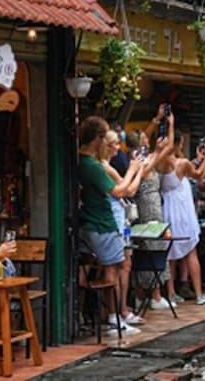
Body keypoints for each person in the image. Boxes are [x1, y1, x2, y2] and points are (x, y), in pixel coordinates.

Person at [77, 116, 141, 332]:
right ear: (97, 138)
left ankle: (82, 314)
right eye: (104, 137)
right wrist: (133, 169)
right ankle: (114, 317)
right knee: (112, 268)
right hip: (101, 223)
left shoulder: (79, 161)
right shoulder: (93, 166)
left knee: (88, 267)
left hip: (87, 222)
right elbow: (119, 191)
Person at [156, 124, 205, 305]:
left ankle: (171, 292)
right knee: (190, 251)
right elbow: (198, 174)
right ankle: (198, 294)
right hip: (182, 211)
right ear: (178, 144)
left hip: (167, 210)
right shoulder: (181, 164)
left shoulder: (160, 162)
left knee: (171, 253)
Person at [99, 129, 145, 328]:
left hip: (118, 219)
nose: (119, 147)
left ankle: (121, 311)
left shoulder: (105, 166)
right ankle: (116, 313)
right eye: (115, 143)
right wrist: (137, 170)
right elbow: (128, 189)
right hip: (114, 219)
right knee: (116, 266)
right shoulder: (105, 168)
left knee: (123, 264)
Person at [131, 123, 177, 311]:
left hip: (155, 206)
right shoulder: (136, 160)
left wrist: (169, 123)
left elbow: (168, 147)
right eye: (143, 142)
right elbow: (146, 166)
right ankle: (151, 295)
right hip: (146, 208)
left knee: (157, 244)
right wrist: (157, 150)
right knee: (149, 246)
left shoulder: (149, 158)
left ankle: (150, 293)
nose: (147, 145)